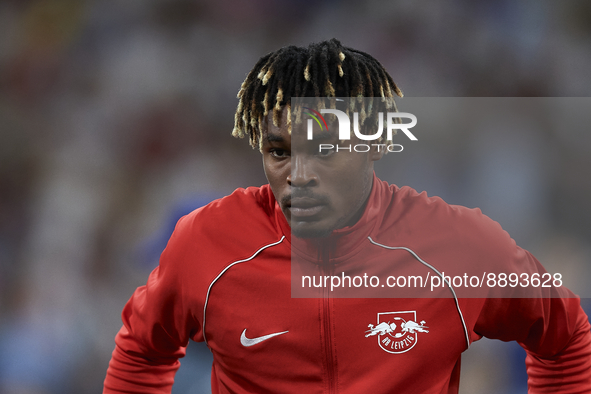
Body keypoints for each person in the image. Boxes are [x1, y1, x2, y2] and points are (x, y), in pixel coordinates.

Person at [103, 39, 591, 393]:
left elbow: (565, 340)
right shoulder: (206, 242)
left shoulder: (457, 245)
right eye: (278, 152)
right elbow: (142, 351)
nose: (298, 174)